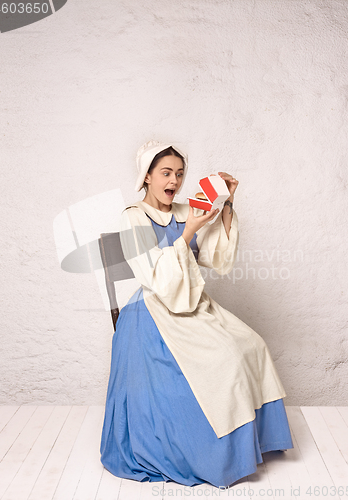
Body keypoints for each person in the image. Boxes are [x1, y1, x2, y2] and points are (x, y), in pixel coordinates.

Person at [100, 140, 293, 488]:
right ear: (146, 175)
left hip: (192, 303)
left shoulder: (183, 209)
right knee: (226, 359)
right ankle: (216, 454)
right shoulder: (133, 217)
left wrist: (227, 202)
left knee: (252, 344)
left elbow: (214, 258)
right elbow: (155, 277)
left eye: (179, 173)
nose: (174, 179)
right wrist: (188, 230)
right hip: (154, 310)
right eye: (165, 172)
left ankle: (255, 445)